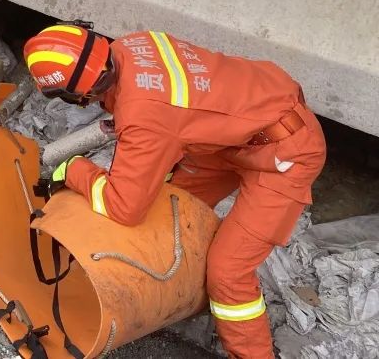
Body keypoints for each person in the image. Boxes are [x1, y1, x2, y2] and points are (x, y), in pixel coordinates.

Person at [22, 22, 327, 359]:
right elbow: (170, 107)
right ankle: (167, 294)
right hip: (235, 134)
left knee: (228, 273)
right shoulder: (132, 45)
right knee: (168, 217)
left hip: (288, 153)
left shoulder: (144, 118)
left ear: (80, 95)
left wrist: (74, 170)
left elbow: (123, 206)